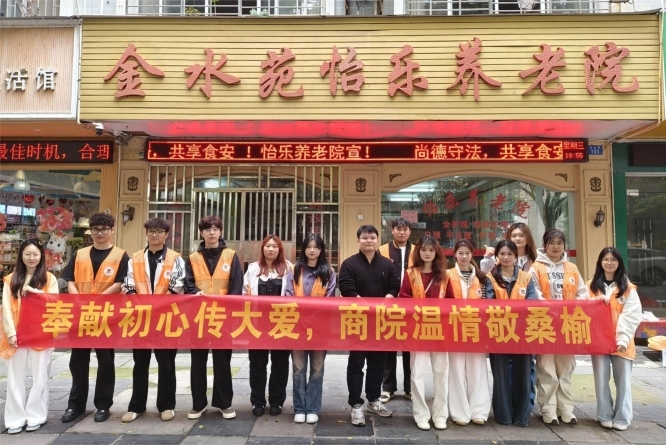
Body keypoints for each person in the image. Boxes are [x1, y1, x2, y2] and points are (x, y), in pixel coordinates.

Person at [61, 213, 129, 423]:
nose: (100, 233)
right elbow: (69, 280)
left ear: (112, 230)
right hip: (81, 315)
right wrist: (78, 299)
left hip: (107, 316)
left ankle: (103, 405)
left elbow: (120, 283)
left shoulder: (121, 255)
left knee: (105, 361)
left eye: (104, 229)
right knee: (78, 361)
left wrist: (97, 299)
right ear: (90, 231)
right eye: (96, 229)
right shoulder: (79, 254)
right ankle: (75, 405)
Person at [121, 217, 186, 423]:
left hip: (166, 318)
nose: (154, 235)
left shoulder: (176, 258)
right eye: (151, 231)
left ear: (166, 235)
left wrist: (157, 306)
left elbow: (177, 285)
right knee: (140, 363)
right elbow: (128, 284)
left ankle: (166, 405)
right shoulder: (135, 258)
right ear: (146, 233)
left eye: (159, 231)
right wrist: (140, 304)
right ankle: (136, 406)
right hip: (140, 318)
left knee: (166, 363)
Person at [339, 225, 400, 426]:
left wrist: (386, 300)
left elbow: (394, 286)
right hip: (357, 320)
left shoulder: (387, 264)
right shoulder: (349, 264)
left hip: (380, 322)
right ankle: (356, 404)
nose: (369, 241)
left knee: (377, 364)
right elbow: (346, 288)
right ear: (358, 241)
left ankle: (373, 400)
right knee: (356, 364)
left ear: (377, 240)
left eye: (372, 237)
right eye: (364, 238)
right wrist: (366, 306)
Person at [185, 215, 243, 420]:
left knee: (222, 361)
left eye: (215, 229)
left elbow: (236, 285)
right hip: (198, 316)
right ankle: (198, 404)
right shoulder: (193, 258)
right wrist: (195, 293)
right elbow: (187, 283)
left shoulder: (231, 255)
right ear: (201, 233)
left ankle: (224, 403)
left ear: (220, 232)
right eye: (207, 229)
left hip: (222, 317)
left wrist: (230, 310)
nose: (212, 233)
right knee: (197, 361)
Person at [532, 229, 589, 425]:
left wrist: (570, 310)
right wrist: (552, 310)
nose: (556, 247)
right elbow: (535, 293)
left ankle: (566, 408)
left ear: (564, 245)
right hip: (544, 323)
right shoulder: (535, 268)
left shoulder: (572, 268)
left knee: (566, 367)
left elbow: (582, 293)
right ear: (544, 245)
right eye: (552, 243)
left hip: (567, 324)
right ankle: (548, 409)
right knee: (546, 367)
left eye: (559, 243)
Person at [1, 239, 59, 434]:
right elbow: (6, 308)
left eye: (35, 254)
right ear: (21, 256)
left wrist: (35, 292)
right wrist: (11, 333)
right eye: (27, 254)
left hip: (41, 333)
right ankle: (15, 419)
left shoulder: (49, 278)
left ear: (41, 256)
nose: (31, 258)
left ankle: (36, 416)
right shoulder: (11, 279)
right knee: (14, 378)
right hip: (17, 334)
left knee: (40, 377)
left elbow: (56, 301)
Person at [480, 222, 538, 411]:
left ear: (516, 257)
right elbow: (489, 303)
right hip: (499, 331)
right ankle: (503, 414)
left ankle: (523, 413)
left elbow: (532, 303)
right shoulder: (491, 277)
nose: (506, 257)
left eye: (510, 254)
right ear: (497, 256)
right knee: (501, 375)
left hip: (523, 332)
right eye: (502, 254)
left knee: (524, 373)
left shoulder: (526, 277)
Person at [398, 235, 451, 431]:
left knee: (441, 373)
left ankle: (440, 415)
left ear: (436, 252)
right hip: (418, 330)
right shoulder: (410, 273)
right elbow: (403, 298)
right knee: (417, 374)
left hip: (440, 331)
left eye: (431, 250)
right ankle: (420, 414)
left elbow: (452, 301)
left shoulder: (444, 275)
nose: (427, 253)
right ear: (417, 252)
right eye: (423, 250)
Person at [285, 233, 337, 424]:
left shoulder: (329, 271)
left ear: (321, 250)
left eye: (316, 247)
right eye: (309, 246)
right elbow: (288, 295)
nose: (312, 250)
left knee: (317, 368)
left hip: (320, 328)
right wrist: (302, 318)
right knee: (298, 369)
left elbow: (330, 299)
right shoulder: (294, 269)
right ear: (303, 249)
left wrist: (313, 318)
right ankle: (300, 408)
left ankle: (313, 407)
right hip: (297, 326)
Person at [588, 247, 642, 431]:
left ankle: (622, 417)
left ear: (619, 263)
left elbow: (631, 315)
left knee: (623, 380)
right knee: (601, 379)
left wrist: (623, 339)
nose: (609, 263)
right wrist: (594, 302)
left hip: (622, 342)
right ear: (600, 262)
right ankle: (604, 415)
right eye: (606, 259)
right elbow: (582, 309)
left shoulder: (628, 288)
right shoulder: (591, 286)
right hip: (599, 341)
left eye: (613, 259)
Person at [243, 234, 293, 417]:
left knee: (280, 364)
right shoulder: (252, 268)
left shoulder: (289, 268)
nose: (271, 249)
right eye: (267, 246)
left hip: (282, 323)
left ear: (280, 249)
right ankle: (257, 401)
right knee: (257, 363)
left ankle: (276, 401)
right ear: (262, 248)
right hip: (257, 324)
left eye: (274, 246)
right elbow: (244, 293)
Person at [447, 239, 491, 427]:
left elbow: (488, 303)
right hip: (454, 329)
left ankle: (478, 411)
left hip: (476, 330)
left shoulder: (481, 277)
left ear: (472, 254)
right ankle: (459, 413)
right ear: (455, 255)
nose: (464, 256)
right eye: (460, 253)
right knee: (456, 371)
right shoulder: (447, 275)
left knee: (478, 370)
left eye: (467, 253)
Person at [378, 217, 414, 403]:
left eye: (405, 229)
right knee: (388, 346)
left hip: (411, 306)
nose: (401, 232)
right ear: (392, 231)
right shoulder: (383, 250)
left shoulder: (417, 250)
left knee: (410, 348)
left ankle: (410, 388)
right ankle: (388, 388)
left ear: (409, 232)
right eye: (398, 229)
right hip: (389, 303)